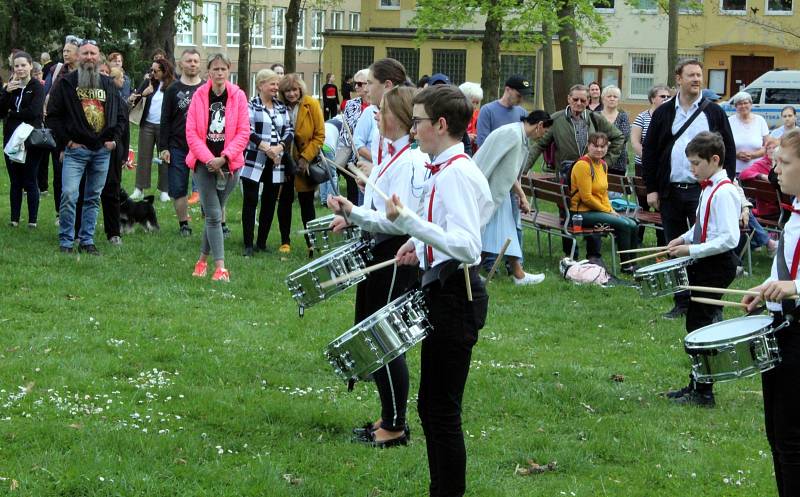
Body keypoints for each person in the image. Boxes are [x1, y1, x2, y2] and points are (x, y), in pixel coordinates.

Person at [384, 84, 492, 497]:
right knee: (432, 408)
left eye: (418, 122)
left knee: (441, 411)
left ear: (441, 124)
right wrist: (422, 246)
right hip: (443, 288)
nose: (413, 130)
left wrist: (413, 225)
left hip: (456, 297)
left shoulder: (456, 174)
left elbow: (467, 244)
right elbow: (453, 229)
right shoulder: (446, 170)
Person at [327, 86, 428, 448]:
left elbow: (402, 222)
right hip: (378, 251)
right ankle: (388, 415)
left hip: (394, 256)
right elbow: (380, 212)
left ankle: (396, 426)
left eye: (382, 109)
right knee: (373, 338)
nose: (376, 115)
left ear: (400, 117)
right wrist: (352, 218)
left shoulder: (411, 161)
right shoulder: (391, 157)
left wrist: (354, 213)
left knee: (384, 342)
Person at [642, 59, 736, 320]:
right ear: (678, 79)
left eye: (699, 75)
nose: (697, 79)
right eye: (691, 75)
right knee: (674, 246)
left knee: (705, 245)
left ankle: (706, 299)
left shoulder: (713, 112)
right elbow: (650, 151)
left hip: (702, 190)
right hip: (670, 190)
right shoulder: (663, 112)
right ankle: (681, 301)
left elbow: (728, 150)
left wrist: (728, 184)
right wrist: (651, 188)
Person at [742, 129, 800, 497]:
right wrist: (765, 286)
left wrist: (797, 288)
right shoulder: (795, 211)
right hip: (781, 326)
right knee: (777, 434)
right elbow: (787, 266)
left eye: (786, 163)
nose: (775, 170)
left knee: (794, 438)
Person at [664, 131, 741, 407]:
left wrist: (692, 250)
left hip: (718, 265)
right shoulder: (708, 187)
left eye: (696, 163)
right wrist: (684, 238)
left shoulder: (725, 192)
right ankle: (695, 384)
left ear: (715, 160)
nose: (692, 169)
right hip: (706, 261)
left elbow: (730, 237)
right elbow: (704, 225)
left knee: (702, 327)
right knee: (695, 324)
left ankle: (704, 393)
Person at [530, 84, 625, 264]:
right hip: (566, 179)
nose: (579, 103)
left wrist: (607, 162)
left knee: (594, 209)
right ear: (568, 99)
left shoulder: (594, 118)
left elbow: (619, 137)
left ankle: (594, 256)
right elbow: (539, 145)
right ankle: (570, 256)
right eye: (576, 99)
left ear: (588, 101)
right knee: (566, 216)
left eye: (583, 100)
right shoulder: (556, 119)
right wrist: (523, 169)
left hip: (591, 174)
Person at [46, 39, 126, 255]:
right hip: (76, 150)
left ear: (99, 57)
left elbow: (120, 116)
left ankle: (86, 240)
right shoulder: (66, 84)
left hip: (102, 151)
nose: (89, 57)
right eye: (85, 53)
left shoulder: (108, 84)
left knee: (92, 197)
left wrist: (113, 141)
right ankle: (66, 241)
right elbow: (52, 117)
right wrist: (67, 142)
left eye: (93, 53)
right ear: (78, 57)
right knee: (69, 195)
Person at [185, 53, 250, 281]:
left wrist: (224, 157)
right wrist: (208, 159)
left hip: (230, 165)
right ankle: (220, 268)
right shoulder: (199, 96)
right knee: (213, 215)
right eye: (215, 69)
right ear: (209, 71)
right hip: (204, 164)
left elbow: (244, 132)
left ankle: (201, 262)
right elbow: (191, 133)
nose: (219, 73)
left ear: (228, 70)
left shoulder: (238, 96)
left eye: (223, 69)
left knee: (213, 214)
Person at [475, 110, 551, 284]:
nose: (543, 136)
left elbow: (508, 171)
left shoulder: (517, 135)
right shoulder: (513, 135)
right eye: (545, 131)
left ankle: (517, 274)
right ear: (539, 126)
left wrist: (521, 195)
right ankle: (515, 274)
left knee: (502, 232)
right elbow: (504, 170)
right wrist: (522, 196)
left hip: (496, 191)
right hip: (489, 192)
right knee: (489, 233)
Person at [241, 68, 294, 256]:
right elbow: (247, 130)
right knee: (251, 200)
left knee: (270, 202)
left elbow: (289, 130)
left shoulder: (281, 107)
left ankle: (261, 242)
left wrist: (279, 148)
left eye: (277, 84)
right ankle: (248, 244)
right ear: (261, 85)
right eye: (272, 84)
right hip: (254, 159)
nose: (276, 88)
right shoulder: (250, 105)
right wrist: (265, 147)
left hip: (276, 162)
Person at [570, 132, 640, 271]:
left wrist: (611, 210)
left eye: (602, 146)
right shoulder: (583, 165)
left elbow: (603, 194)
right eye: (595, 146)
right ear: (588, 146)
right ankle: (626, 266)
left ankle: (634, 262)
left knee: (633, 224)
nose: (599, 149)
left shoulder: (603, 165)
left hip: (599, 210)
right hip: (582, 213)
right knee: (624, 224)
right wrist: (607, 211)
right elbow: (587, 198)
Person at [158, 48, 205, 237]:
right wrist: (163, 148)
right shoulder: (172, 90)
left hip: (203, 147)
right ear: (181, 64)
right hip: (178, 146)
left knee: (208, 186)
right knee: (178, 187)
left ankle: (216, 222)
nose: (192, 64)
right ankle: (184, 224)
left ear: (199, 64)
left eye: (195, 61)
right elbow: (165, 120)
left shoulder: (206, 88)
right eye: (188, 61)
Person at [279, 73, 325, 257]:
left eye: (294, 90)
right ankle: (284, 241)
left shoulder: (311, 104)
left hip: (304, 162)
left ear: (300, 90)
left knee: (307, 205)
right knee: (284, 202)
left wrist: (306, 158)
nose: (291, 94)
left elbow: (320, 135)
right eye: (287, 90)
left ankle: (311, 243)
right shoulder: (279, 106)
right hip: (283, 162)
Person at [1, 51, 45, 228]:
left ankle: (32, 220)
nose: (19, 69)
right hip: (11, 138)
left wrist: (13, 114)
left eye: (23, 65)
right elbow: (1, 112)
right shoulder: (10, 87)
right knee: (15, 181)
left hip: (30, 139)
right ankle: (14, 219)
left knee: (30, 178)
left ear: (30, 66)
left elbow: (34, 112)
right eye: (16, 66)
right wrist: (5, 93)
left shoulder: (37, 86)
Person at [43, 35, 80, 216]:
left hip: (77, 128)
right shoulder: (56, 70)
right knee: (58, 171)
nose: (65, 54)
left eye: (69, 51)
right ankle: (60, 212)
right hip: (58, 127)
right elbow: (47, 94)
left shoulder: (84, 73)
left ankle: (76, 210)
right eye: (64, 51)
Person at [129, 58, 176, 202]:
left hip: (165, 127)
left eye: (156, 71)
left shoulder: (173, 85)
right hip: (147, 124)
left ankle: (164, 190)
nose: (153, 73)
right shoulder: (148, 82)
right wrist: (144, 93)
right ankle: (139, 189)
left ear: (165, 71)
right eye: (151, 70)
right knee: (143, 156)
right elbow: (133, 100)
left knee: (164, 157)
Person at [631, 84, 671, 246]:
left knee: (662, 206)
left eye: (668, 97)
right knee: (643, 204)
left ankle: (663, 242)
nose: (666, 99)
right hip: (644, 167)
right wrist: (649, 160)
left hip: (664, 169)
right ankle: (637, 240)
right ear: (652, 98)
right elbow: (635, 142)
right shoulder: (642, 117)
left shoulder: (671, 117)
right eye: (662, 96)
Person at [335, 68, 370, 204]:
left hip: (372, 158)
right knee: (354, 197)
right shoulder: (351, 104)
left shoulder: (380, 104)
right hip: (354, 159)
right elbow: (345, 132)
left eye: (360, 84)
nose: (356, 87)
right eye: (355, 83)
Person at [476, 75, 530, 147]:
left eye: (524, 97)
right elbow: (482, 143)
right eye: (519, 96)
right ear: (507, 90)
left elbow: (525, 143)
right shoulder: (487, 111)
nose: (521, 100)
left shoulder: (523, 113)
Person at [728, 91, 769, 174]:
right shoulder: (729, 121)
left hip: (757, 171)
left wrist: (754, 155)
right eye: (739, 104)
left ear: (751, 104)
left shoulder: (760, 120)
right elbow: (724, 146)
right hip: (734, 170)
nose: (743, 106)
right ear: (735, 106)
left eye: (745, 103)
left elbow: (768, 146)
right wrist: (736, 155)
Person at [599, 85, 630, 174]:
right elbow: (592, 135)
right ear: (603, 99)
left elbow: (624, 137)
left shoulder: (623, 117)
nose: (612, 99)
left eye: (615, 97)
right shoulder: (595, 115)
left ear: (618, 100)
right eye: (609, 96)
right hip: (597, 159)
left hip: (618, 161)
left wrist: (603, 143)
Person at [459, 82, 483, 154]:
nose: (475, 106)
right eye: (473, 102)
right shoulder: (456, 117)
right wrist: (466, 138)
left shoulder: (479, 115)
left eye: (477, 103)